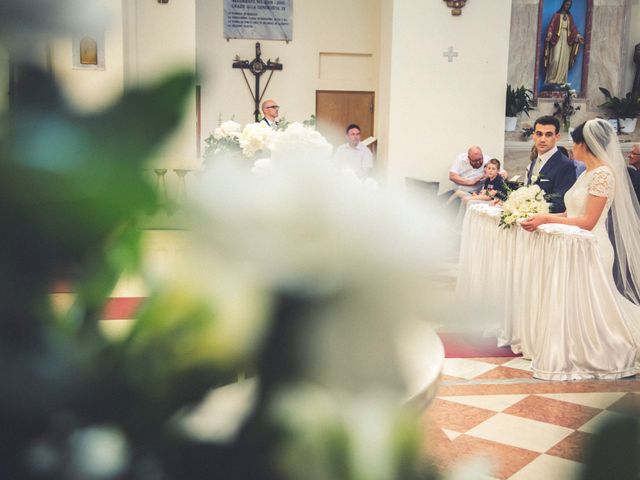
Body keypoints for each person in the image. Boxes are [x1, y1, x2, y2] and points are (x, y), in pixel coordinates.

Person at [521, 119, 640, 379]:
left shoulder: (604, 175)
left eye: (574, 143)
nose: (571, 148)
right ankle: (575, 347)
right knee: (577, 304)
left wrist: (547, 219)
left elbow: (588, 222)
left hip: (592, 249)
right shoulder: (586, 172)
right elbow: (571, 212)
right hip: (575, 247)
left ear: (585, 144)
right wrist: (541, 215)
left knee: (594, 305)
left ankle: (604, 349)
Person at [525, 115, 576, 212]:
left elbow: (561, 204)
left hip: (549, 223)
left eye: (548, 135)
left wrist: (530, 208)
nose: (543, 139)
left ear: (557, 137)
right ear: (533, 136)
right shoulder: (535, 162)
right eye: (539, 134)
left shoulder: (565, 165)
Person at [543, 0, 584, 86]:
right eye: (566, 4)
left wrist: (578, 36)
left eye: (569, 5)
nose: (567, 6)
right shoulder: (556, 15)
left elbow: (573, 28)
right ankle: (551, 79)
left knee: (564, 61)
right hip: (557, 39)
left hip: (566, 40)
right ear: (563, 4)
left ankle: (561, 81)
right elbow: (551, 26)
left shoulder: (569, 17)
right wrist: (550, 33)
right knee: (555, 59)